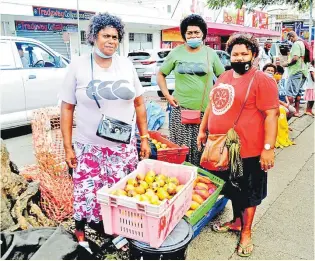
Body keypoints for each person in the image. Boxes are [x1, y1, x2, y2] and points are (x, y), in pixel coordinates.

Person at [59, 13, 150, 250]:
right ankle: (80, 233)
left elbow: (140, 103)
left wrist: (146, 137)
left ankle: (119, 232)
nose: (111, 40)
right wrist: (68, 147)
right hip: (89, 147)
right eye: (105, 35)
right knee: (85, 192)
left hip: (122, 146)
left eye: (115, 36)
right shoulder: (78, 66)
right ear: (93, 36)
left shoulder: (126, 65)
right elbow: (67, 108)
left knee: (121, 192)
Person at [197, 33, 279, 257]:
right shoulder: (224, 76)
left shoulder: (262, 79)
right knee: (232, 189)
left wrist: (268, 149)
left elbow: (272, 115)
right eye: (235, 53)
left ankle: (246, 231)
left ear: (253, 55)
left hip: (250, 150)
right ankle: (235, 222)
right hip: (222, 148)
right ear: (230, 55)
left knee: (249, 193)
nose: (240, 57)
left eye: (245, 53)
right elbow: (213, 105)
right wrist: (203, 129)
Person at [157, 14, 225, 166]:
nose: (193, 35)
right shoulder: (176, 53)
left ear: (203, 34)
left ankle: (202, 181)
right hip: (179, 110)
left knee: (202, 149)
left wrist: (218, 101)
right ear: (184, 35)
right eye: (189, 33)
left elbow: (223, 78)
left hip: (205, 112)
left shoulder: (210, 54)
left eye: (196, 32)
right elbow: (161, 74)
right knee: (180, 149)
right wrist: (167, 95)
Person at [284, 31, 308, 117]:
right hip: (303, 71)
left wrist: (286, 64)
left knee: (290, 94)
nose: (290, 41)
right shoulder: (302, 43)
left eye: (289, 38)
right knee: (298, 93)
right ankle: (296, 111)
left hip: (296, 71)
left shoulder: (296, 44)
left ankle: (288, 114)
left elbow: (295, 58)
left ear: (292, 36)